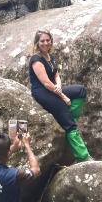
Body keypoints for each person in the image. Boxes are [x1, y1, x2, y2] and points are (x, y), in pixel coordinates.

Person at [28, 30, 90, 161]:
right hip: (42, 92)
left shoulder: (50, 57)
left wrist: (59, 84)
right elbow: (45, 83)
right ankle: (83, 158)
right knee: (69, 125)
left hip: (54, 89)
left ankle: (67, 117)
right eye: (42, 41)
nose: (45, 43)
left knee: (80, 91)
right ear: (37, 43)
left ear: (51, 41)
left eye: (47, 40)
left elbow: (56, 74)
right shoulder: (36, 60)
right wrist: (63, 96)